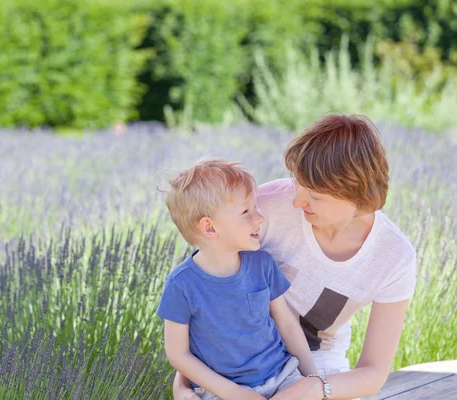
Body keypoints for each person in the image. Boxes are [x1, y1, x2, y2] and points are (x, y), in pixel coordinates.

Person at [172, 114, 417, 400]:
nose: (297, 200)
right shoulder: (267, 205)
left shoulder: (394, 257)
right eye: (298, 182)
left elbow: (374, 373)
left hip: (317, 361)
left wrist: (314, 386)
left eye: (315, 195)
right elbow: (206, 284)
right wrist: (184, 385)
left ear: (357, 194)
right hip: (236, 357)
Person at [157, 159, 318, 400]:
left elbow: (287, 324)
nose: (259, 218)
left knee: (313, 390)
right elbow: (178, 354)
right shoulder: (181, 285)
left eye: (255, 207)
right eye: (246, 211)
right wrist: (232, 392)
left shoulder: (262, 264)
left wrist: (312, 377)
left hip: (282, 377)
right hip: (223, 390)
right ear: (209, 228)